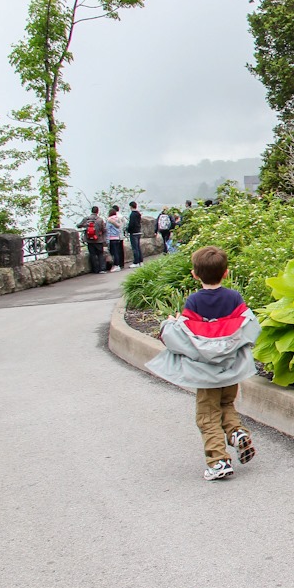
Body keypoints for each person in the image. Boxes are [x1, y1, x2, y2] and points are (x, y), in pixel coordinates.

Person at [145, 245, 262, 481]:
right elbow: (244, 326)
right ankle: (237, 432)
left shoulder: (194, 301)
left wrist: (171, 323)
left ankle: (218, 461)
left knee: (207, 415)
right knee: (226, 404)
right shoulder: (234, 298)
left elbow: (189, 336)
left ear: (194, 275)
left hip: (205, 373)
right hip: (230, 370)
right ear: (226, 273)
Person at [77, 206, 108, 273]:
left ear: (91, 211)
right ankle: (102, 269)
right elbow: (104, 229)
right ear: (97, 211)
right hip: (98, 240)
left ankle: (95, 269)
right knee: (100, 254)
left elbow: (79, 225)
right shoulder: (100, 220)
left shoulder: (86, 219)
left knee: (92, 254)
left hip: (89, 240)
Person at [106, 205, 125, 272]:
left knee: (114, 253)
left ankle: (116, 265)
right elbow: (121, 228)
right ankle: (118, 265)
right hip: (117, 237)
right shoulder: (118, 219)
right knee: (118, 251)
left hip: (112, 238)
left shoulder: (109, 220)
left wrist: (107, 240)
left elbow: (108, 230)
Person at [127, 201, 143, 268]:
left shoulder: (132, 214)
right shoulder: (138, 214)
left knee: (135, 248)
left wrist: (128, 230)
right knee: (138, 247)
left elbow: (131, 224)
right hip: (138, 231)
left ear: (131, 206)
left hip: (133, 233)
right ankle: (140, 261)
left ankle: (136, 262)